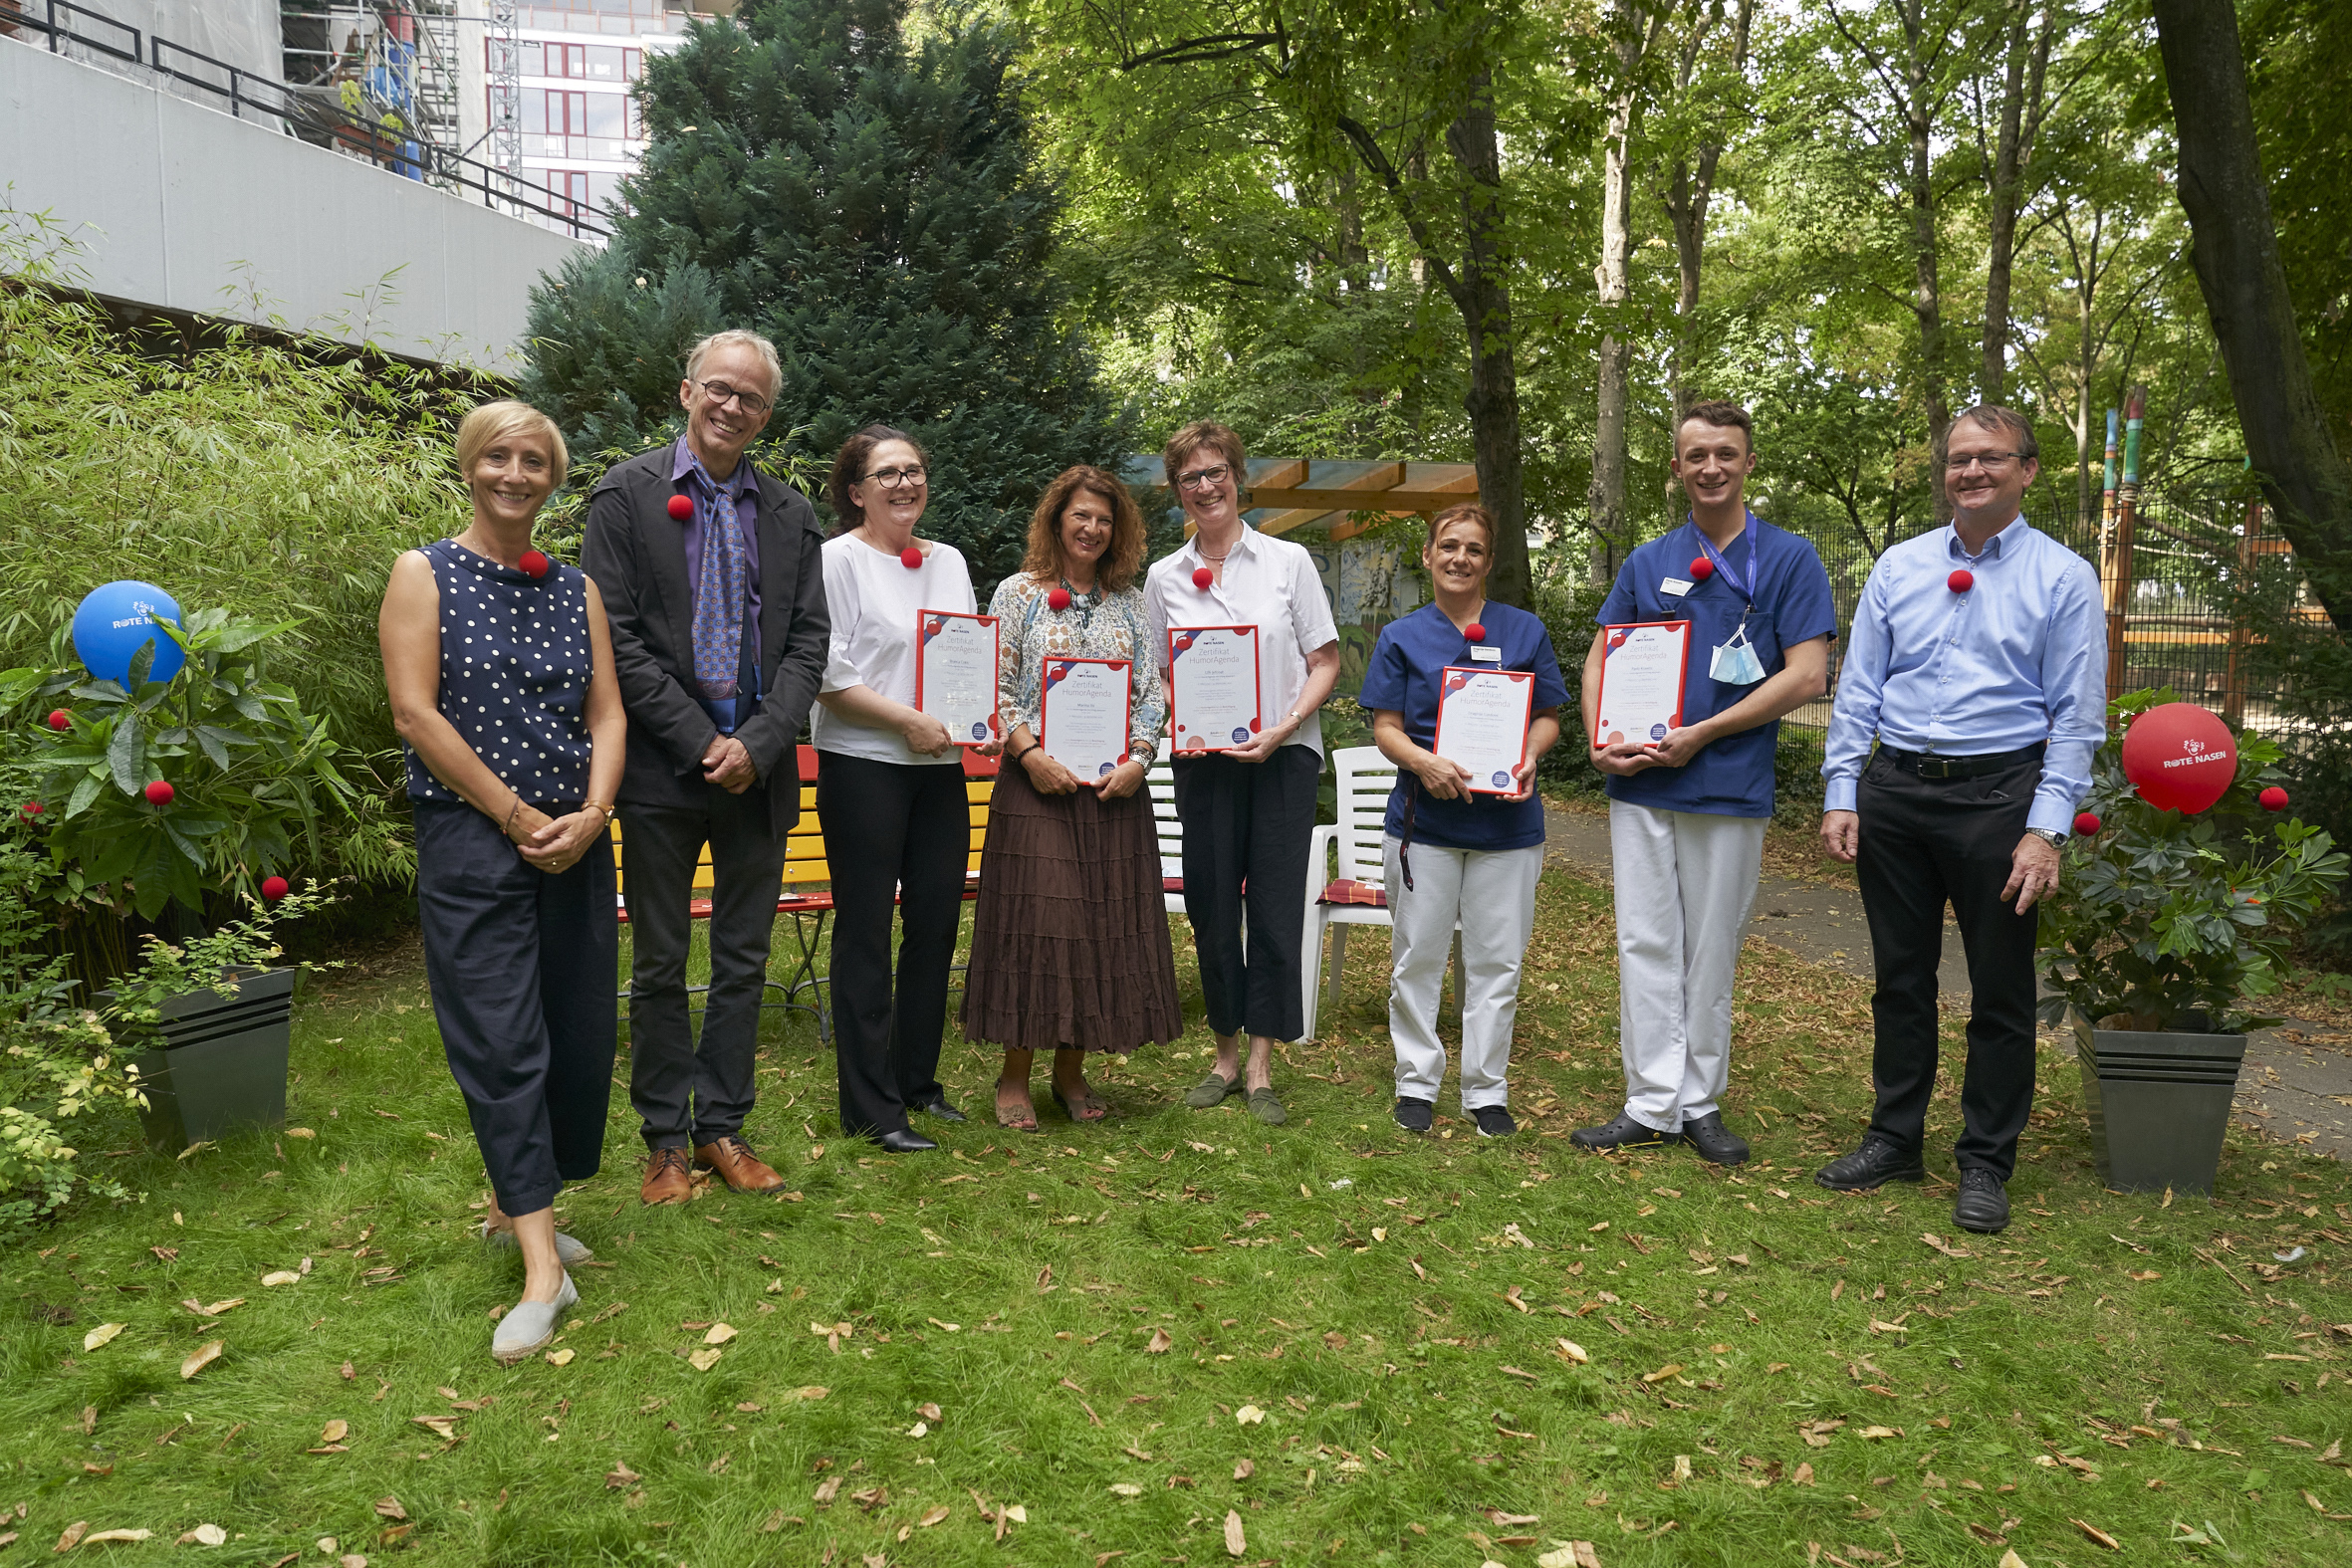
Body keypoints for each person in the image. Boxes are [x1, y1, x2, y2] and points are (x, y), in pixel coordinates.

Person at [1817, 405, 2105, 1233]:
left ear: (2028, 470)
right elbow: (1860, 687)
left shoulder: (2062, 577)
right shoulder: (1899, 567)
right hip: (1897, 794)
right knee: (1899, 980)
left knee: (2001, 990)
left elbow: (2077, 719)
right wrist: (1844, 788)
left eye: (1990, 458)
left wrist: (2045, 829)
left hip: (2000, 801)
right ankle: (1893, 1139)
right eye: (1958, 458)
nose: (1971, 471)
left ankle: (1985, 1162)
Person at [380, 399, 625, 1363]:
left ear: (553, 477)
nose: (514, 474)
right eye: (498, 457)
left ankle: (512, 1203)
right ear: (469, 466)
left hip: (575, 835)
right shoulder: (423, 573)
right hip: (476, 842)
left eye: (533, 460)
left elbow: (608, 716)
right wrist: (517, 818)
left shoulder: (579, 591)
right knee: (501, 1039)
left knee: (573, 1035)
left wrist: (593, 815)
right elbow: (415, 715)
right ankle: (539, 1268)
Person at [581, 330, 831, 1206]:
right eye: (719, 390)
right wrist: (699, 740)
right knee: (656, 961)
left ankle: (723, 1127)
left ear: (767, 413)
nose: (732, 407)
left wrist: (759, 743)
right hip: (660, 773)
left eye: (752, 398)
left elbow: (808, 641)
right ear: (688, 391)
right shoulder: (625, 494)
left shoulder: (791, 513)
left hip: (758, 775)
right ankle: (663, 1143)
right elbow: (612, 632)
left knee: (741, 958)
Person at [1572, 400, 1836, 1165]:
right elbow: (1601, 658)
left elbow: (1808, 673)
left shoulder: (1789, 559)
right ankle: (1650, 1101)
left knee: (1710, 947)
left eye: (1726, 453)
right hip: (1641, 784)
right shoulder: (1647, 560)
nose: (1711, 467)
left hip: (1726, 782)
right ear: (1677, 470)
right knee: (1644, 940)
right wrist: (1599, 740)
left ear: (1749, 462)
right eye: (1696, 456)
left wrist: (1706, 733)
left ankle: (1700, 1101)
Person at [963, 468, 1183, 1129]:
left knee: (1097, 926)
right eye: (1081, 515)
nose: (1092, 528)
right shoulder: (1018, 593)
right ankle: (1013, 1074)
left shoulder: (1129, 601)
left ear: (1119, 532)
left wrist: (1140, 759)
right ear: (1057, 518)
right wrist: (1029, 754)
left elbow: (1152, 691)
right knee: (1036, 928)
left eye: (1105, 520)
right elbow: (994, 684)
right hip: (1036, 788)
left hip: (1114, 793)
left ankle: (1071, 1072)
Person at [1144, 421, 1341, 1125]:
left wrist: (1284, 726)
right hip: (1204, 762)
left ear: (1237, 475)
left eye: (1216, 470)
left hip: (1284, 756)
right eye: (1191, 477)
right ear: (1177, 492)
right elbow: (1159, 674)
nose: (1206, 485)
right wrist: (1185, 712)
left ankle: (1261, 1063)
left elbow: (1325, 661)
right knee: (1212, 904)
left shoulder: (1288, 561)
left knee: (1277, 907)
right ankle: (1223, 1055)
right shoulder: (1163, 577)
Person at [1360, 503, 1566, 1137]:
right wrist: (1424, 764)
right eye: (1449, 546)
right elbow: (1384, 728)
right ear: (1428, 555)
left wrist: (1528, 755)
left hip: (1507, 828)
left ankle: (1485, 1090)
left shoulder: (1525, 630)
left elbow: (1549, 715)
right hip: (1426, 825)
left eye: (1474, 549)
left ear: (1488, 561)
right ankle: (1417, 1082)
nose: (1460, 558)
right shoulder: (1401, 637)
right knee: (1418, 956)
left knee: (1497, 962)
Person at [812, 424, 975, 1152]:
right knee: (866, 932)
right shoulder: (836, 560)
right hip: (862, 765)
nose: (905, 483)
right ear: (856, 491)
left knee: (936, 925)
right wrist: (908, 720)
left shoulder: (949, 561)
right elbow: (830, 671)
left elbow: (966, 651)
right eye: (887, 474)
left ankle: (918, 1082)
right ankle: (870, 1106)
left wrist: (975, 718)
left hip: (939, 771)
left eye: (914, 470)